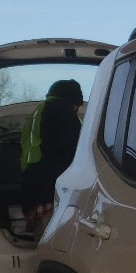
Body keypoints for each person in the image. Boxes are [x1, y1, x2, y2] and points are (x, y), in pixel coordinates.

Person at [20, 78, 84, 232]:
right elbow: (72, 148)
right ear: (71, 100)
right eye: (76, 106)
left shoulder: (39, 112)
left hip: (34, 188)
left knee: (41, 238)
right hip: (51, 189)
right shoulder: (60, 110)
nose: (76, 110)